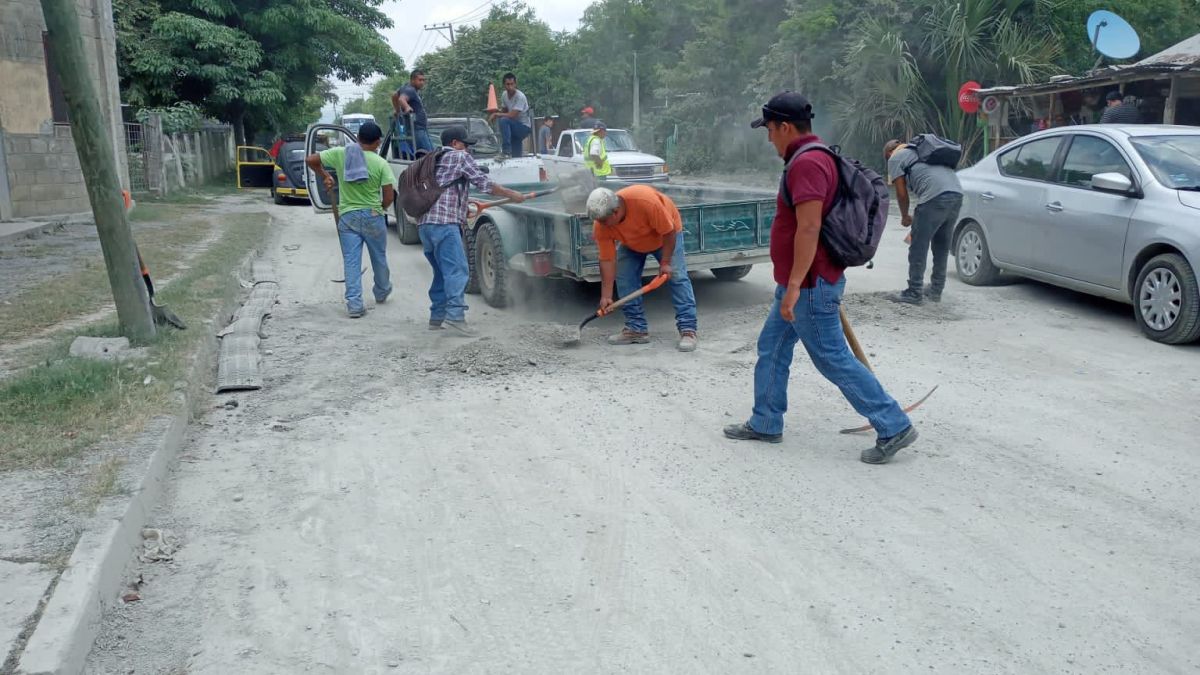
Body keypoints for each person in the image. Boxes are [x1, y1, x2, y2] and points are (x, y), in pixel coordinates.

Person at [723, 91, 917, 465]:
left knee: (831, 358)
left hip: (810, 284)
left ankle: (894, 424)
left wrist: (795, 286)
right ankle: (765, 421)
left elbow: (809, 227)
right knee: (772, 347)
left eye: (769, 129)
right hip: (803, 282)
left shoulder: (807, 164)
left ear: (784, 126)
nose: (768, 138)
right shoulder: (811, 156)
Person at [419, 125, 527, 335]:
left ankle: (437, 316)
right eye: (465, 144)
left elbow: (445, 189)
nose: (468, 149)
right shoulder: (459, 158)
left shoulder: (432, 159)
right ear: (455, 144)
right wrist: (512, 194)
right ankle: (456, 317)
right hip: (444, 225)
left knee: (442, 272)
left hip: (426, 224)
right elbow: (484, 183)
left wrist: (462, 209)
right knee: (458, 271)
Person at [586, 185, 698, 352]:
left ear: (616, 211)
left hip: (665, 237)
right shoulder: (601, 224)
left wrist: (665, 263)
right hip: (632, 241)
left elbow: (669, 232)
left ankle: (688, 329)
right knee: (624, 277)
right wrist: (606, 295)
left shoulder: (645, 202)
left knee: (677, 277)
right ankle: (636, 329)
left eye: (603, 221)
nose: (601, 224)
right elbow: (607, 260)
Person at [304, 121, 394, 319]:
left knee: (351, 261)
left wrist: (325, 174)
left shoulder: (341, 154)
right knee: (379, 257)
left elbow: (311, 159)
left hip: (347, 217)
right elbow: (388, 196)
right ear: (378, 142)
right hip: (373, 216)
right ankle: (382, 290)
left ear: (358, 137)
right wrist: (381, 209)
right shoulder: (380, 163)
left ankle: (354, 304)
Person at [884, 137, 963, 304]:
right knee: (941, 244)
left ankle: (914, 292)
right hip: (956, 194)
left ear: (889, 152)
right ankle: (936, 290)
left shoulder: (895, 157)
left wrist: (905, 216)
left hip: (934, 197)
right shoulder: (923, 151)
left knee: (918, 245)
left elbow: (901, 193)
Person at [490, 73, 533, 157]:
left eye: (512, 84)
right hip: (513, 126)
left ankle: (506, 151)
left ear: (515, 84)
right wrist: (495, 112)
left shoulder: (520, 96)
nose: (510, 87)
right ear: (504, 85)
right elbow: (504, 111)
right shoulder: (504, 95)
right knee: (516, 156)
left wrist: (497, 114)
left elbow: (512, 115)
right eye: (508, 84)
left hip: (524, 127)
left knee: (504, 120)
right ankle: (514, 157)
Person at [393, 70, 433, 154]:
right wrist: (407, 107)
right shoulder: (410, 90)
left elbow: (394, 96)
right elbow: (401, 99)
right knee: (429, 155)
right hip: (417, 129)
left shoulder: (405, 88)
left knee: (428, 153)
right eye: (420, 80)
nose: (422, 82)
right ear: (412, 80)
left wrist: (397, 110)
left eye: (423, 80)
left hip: (418, 128)